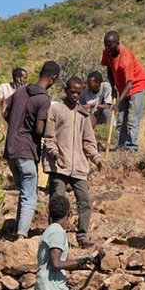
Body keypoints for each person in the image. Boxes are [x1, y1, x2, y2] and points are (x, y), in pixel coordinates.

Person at [43, 77, 102, 245]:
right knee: (57, 202)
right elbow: (49, 137)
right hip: (59, 166)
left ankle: (82, 235)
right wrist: (54, 153)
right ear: (65, 90)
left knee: (84, 201)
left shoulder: (83, 114)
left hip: (79, 167)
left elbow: (89, 142)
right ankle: (54, 236)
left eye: (78, 92)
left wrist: (96, 159)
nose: (75, 95)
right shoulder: (55, 110)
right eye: (72, 91)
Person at [3, 61, 58, 239]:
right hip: (26, 150)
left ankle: (18, 228)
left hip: (11, 149)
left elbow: (5, 112)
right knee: (30, 194)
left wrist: (15, 125)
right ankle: (21, 235)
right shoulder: (43, 99)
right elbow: (39, 128)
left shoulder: (20, 91)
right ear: (53, 79)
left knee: (24, 190)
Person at [102, 31, 145, 152]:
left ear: (118, 43)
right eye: (105, 44)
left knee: (132, 121)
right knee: (120, 120)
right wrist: (113, 88)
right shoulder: (107, 52)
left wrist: (118, 102)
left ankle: (131, 148)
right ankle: (120, 146)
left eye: (110, 45)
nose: (107, 48)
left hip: (137, 87)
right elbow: (109, 69)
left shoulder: (126, 58)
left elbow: (130, 84)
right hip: (123, 88)